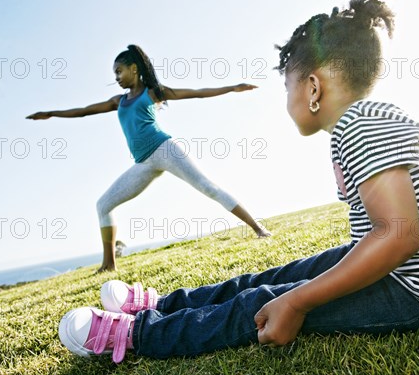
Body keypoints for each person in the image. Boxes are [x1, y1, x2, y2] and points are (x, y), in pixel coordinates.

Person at [58, 0, 419, 361]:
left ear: (312, 87)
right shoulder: (363, 122)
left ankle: (137, 335)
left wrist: (298, 300)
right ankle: (162, 305)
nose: (285, 97)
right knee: (275, 275)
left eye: (287, 85)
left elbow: (397, 236)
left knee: (263, 302)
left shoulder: (361, 127)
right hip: (417, 270)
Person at [27, 45, 271, 273]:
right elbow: (83, 111)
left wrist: (230, 88)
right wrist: (51, 113)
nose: (116, 77)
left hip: (165, 149)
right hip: (143, 163)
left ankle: (258, 228)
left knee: (208, 187)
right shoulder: (118, 101)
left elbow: (195, 94)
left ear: (134, 69)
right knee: (103, 205)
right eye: (114, 73)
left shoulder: (153, 92)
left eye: (119, 71)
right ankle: (108, 264)